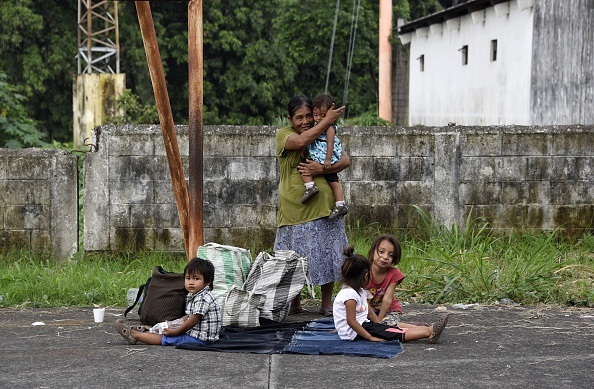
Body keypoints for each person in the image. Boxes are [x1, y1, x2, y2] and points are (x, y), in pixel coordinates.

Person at [275, 95, 349, 317]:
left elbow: (344, 160)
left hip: (324, 207)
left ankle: (327, 303)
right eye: (299, 117)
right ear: (290, 119)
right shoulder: (284, 135)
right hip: (293, 209)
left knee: (327, 254)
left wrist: (321, 170)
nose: (305, 121)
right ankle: (294, 302)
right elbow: (300, 142)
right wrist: (327, 121)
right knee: (293, 259)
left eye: (309, 116)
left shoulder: (322, 132)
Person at [333, 246, 448, 343]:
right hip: (353, 333)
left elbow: (368, 311)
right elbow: (351, 321)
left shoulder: (359, 291)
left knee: (386, 328)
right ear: (366, 276)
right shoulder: (349, 295)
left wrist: (378, 323)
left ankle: (426, 329)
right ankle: (428, 332)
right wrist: (370, 337)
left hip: (362, 325)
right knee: (390, 333)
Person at [114, 257, 221, 346]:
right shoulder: (195, 295)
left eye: (196, 279)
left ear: (207, 282)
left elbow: (192, 321)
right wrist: (172, 324)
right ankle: (148, 331)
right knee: (168, 328)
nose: (191, 282)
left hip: (202, 339)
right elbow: (187, 317)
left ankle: (135, 335)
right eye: (188, 278)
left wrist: (174, 332)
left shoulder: (203, 297)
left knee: (167, 338)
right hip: (197, 333)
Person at [299, 93, 348, 221]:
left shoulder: (329, 128)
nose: (319, 118)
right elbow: (310, 139)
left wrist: (327, 160)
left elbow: (331, 143)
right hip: (317, 157)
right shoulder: (316, 127)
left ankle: (340, 204)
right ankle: (310, 187)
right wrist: (304, 149)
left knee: (334, 182)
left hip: (327, 159)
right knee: (305, 169)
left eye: (323, 115)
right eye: (316, 115)